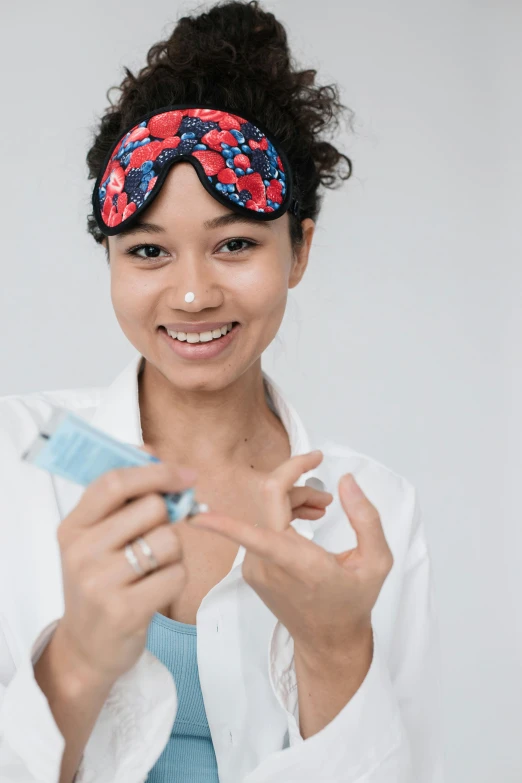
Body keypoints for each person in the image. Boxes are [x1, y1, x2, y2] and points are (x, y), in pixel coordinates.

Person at [0, 1, 443, 782]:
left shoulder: (372, 512)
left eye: (234, 242)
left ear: (299, 246)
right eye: (148, 251)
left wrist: (335, 650)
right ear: (110, 257)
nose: (194, 294)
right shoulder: (15, 460)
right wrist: (74, 663)